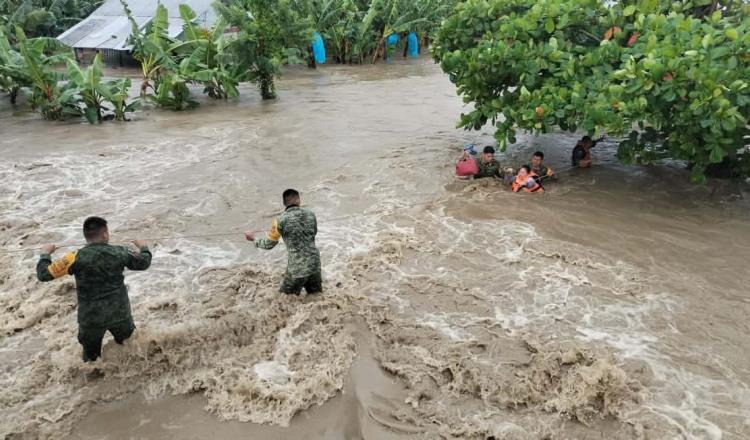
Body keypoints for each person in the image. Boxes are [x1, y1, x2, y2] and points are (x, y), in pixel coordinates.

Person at [36, 216, 152, 362]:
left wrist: (45, 254)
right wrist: (143, 247)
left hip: (91, 318)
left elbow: (43, 274)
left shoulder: (73, 257)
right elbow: (144, 262)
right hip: (119, 314)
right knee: (130, 350)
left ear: (86, 236)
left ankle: (93, 380)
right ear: (104, 234)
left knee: (90, 360)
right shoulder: (120, 252)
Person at [245, 189, 322, 295]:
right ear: (299, 200)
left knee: (284, 300)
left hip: (297, 269)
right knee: (316, 297)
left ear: (284, 203)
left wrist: (254, 239)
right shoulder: (311, 215)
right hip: (315, 264)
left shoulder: (279, 220)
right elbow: (314, 232)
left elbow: (269, 244)